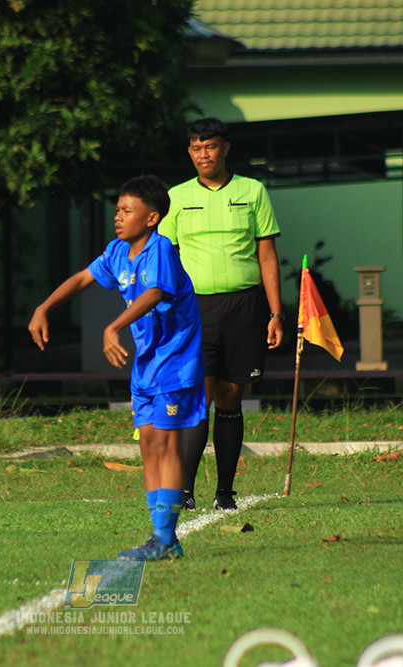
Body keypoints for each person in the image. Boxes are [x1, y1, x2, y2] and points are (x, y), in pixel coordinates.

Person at [28, 175, 205, 561]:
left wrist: (114, 325)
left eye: (127, 210)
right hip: (146, 364)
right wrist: (44, 308)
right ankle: (163, 538)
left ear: (152, 218)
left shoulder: (160, 250)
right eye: (117, 209)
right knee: (146, 444)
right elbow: (82, 278)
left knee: (166, 443)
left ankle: (164, 537)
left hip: (175, 361)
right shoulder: (115, 252)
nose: (118, 217)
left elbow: (155, 292)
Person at [159, 117, 285, 511]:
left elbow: (266, 254)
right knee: (200, 395)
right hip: (194, 309)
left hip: (245, 306)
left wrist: (276, 312)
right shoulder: (176, 197)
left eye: (209, 147)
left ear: (225, 148)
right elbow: (165, 257)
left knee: (231, 396)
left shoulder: (253, 191)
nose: (203, 155)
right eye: (196, 149)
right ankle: (184, 490)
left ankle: (225, 493)